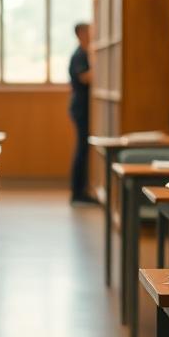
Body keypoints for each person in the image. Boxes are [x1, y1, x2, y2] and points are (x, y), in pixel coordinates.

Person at [68, 22, 94, 204]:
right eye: (88, 32)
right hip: (81, 108)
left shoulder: (85, 53)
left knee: (83, 149)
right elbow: (84, 77)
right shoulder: (79, 55)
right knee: (82, 149)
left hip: (84, 107)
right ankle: (77, 192)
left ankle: (81, 190)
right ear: (80, 34)